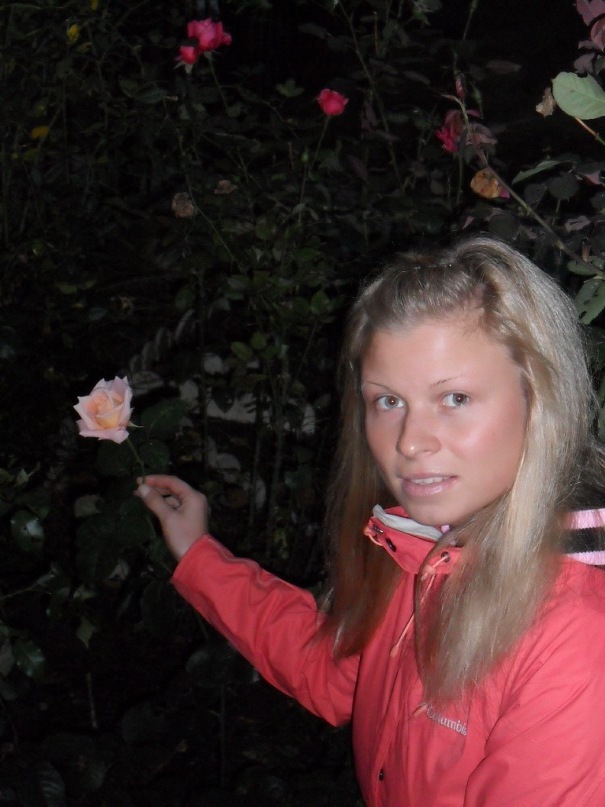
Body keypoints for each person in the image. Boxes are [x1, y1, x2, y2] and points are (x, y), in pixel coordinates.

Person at [135, 235, 605, 806]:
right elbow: (338, 675)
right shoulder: (429, 556)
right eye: (388, 401)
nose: (409, 442)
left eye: (455, 398)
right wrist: (200, 555)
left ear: (541, 401)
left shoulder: (577, 633)